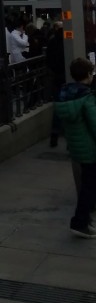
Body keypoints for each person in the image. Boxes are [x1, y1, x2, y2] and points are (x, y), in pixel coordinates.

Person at [53, 58, 96, 238]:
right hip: (89, 148)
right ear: (88, 74)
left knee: (87, 185)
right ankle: (79, 222)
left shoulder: (65, 94)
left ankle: (85, 221)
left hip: (76, 146)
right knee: (89, 188)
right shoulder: (86, 97)